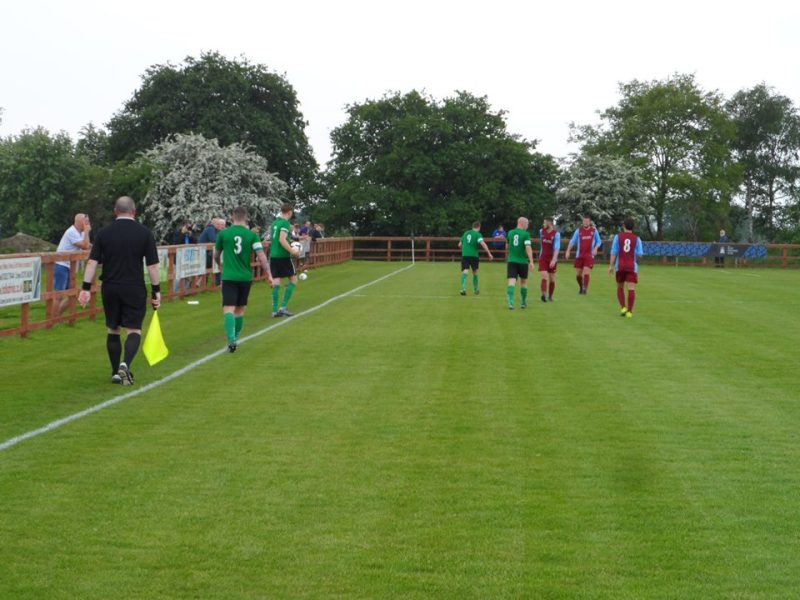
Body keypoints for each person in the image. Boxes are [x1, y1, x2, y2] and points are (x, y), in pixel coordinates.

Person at [78, 197, 160, 385]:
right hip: (134, 286)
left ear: (115, 211)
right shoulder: (144, 233)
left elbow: (92, 262)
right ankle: (125, 364)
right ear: (134, 211)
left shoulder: (104, 233)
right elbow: (153, 266)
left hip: (110, 286)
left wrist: (85, 288)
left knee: (113, 328)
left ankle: (115, 372)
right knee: (134, 329)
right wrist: (156, 290)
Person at [214, 206, 271, 353]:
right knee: (239, 310)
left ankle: (231, 340)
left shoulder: (223, 234)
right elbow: (262, 256)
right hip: (245, 277)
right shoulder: (251, 235)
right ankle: (236, 338)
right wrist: (269, 275)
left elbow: (215, 254)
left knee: (228, 308)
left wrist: (219, 266)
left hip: (228, 276)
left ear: (232, 217)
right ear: (246, 218)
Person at [55, 213, 92, 315]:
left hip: (69, 266)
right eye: (86, 221)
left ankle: (57, 317)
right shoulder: (72, 232)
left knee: (73, 295)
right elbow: (85, 246)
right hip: (61, 265)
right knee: (59, 295)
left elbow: (88, 245)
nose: (88, 224)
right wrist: (87, 232)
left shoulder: (81, 233)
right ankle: (52, 321)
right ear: (80, 222)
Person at [268, 203, 301, 317]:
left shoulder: (275, 223)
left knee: (276, 281)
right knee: (293, 280)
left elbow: (277, 239)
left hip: (273, 255)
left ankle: (274, 310)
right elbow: (282, 240)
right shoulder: (285, 223)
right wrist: (293, 251)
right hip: (283, 256)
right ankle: (283, 307)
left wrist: (290, 242)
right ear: (290, 212)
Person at [608, 217, 644, 318]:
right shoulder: (637, 239)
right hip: (631, 267)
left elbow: (614, 252)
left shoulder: (617, 237)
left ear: (624, 226)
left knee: (620, 287)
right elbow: (640, 254)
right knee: (631, 288)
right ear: (633, 227)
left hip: (620, 266)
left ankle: (623, 307)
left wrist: (611, 266)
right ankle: (630, 311)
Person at [565, 216, 602, 295]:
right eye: (584, 221)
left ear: (589, 222)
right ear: (582, 222)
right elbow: (572, 241)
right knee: (578, 275)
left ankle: (585, 288)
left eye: (587, 221)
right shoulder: (578, 231)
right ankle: (581, 287)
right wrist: (568, 251)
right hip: (579, 255)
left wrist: (596, 248)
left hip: (589, 255)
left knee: (586, 271)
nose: (585, 223)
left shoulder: (594, 231)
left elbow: (599, 241)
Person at [505, 217, 535, 310]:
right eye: (527, 224)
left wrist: (511, 253)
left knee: (511, 281)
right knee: (524, 282)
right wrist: (531, 261)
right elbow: (528, 247)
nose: (527, 226)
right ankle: (523, 302)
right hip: (522, 261)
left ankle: (510, 303)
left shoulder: (510, 233)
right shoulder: (525, 234)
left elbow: (507, 246)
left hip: (511, 261)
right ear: (522, 223)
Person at [458, 221, 493, 295]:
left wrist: (464, 249)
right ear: (479, 227)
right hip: (474, 255)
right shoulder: (477, 234)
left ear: (472, 226)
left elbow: (459, 244)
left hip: (465, 255)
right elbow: (482, 243)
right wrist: (489, 253)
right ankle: (475, 289)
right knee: (475, 272)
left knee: (465, 270)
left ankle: (463, 288)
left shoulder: (466, 233)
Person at [538, 217, 561, 303]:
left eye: (545, 223)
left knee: (552, 279)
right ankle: (544, 294)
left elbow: (557, 247)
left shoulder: (556, 234)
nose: (543, 224)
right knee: (544, 276)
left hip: (552, 259)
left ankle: (550, 296)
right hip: (543, 257)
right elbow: (542, 244)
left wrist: (554, 260)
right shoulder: (541, 231)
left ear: (550, 223)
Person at [171, 220, 197, 293]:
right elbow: (175, 242)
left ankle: (186, 291)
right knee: (178, 276)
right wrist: (182, 233)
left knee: (188, 275)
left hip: (189, 257)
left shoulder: (190, 233)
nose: (187, 228)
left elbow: (196, 241)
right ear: (182, 226)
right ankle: (176, 292)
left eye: (188, 226)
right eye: (186, 226)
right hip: (179, 257)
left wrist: (191, 235)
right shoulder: (177, 233)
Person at [197, 218, 224, 287]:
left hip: (206, 252)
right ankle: (200, 283)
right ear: (213, 223)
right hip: (203, 252)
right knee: (213, 265)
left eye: (219, 224)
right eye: (217, 224)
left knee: (209, 267)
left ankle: (202, 284)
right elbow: (213, 239)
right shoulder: (210, 229)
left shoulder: (214, 230)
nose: (219, 226)